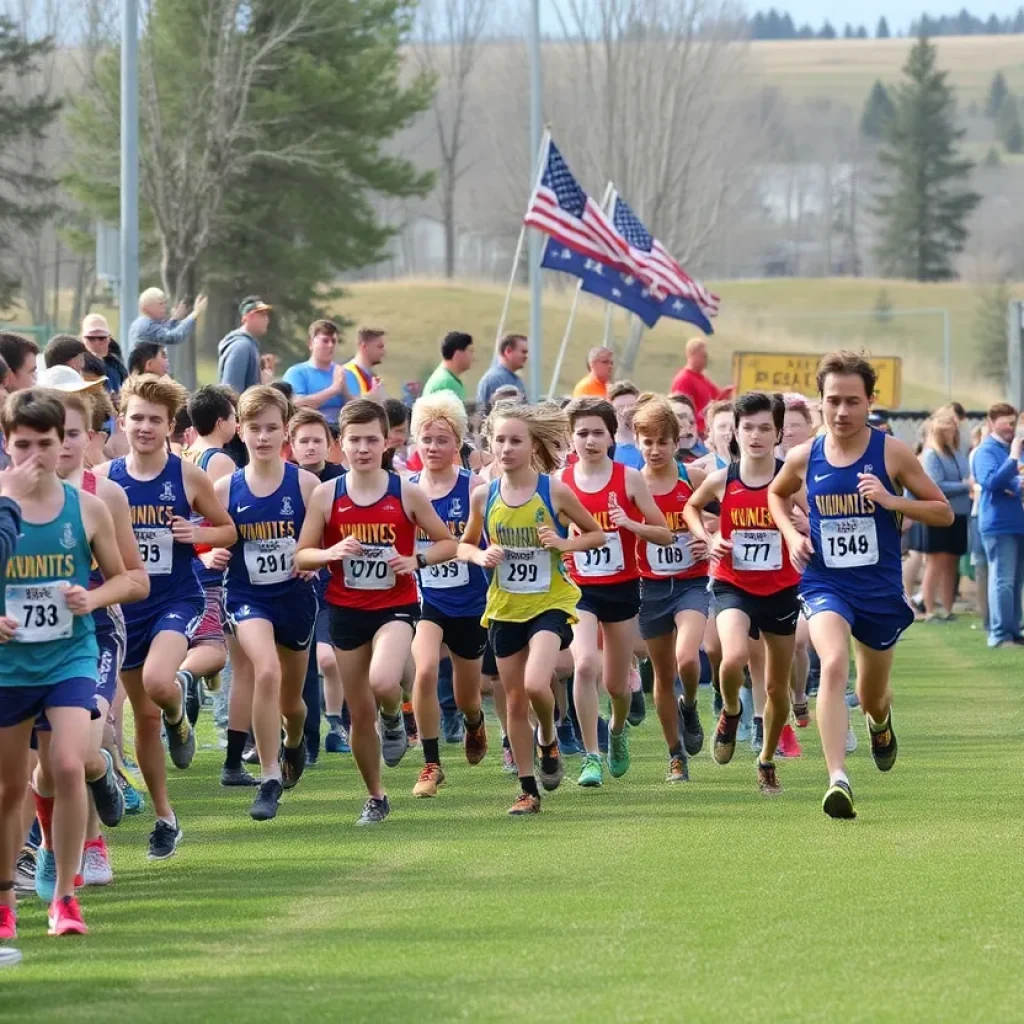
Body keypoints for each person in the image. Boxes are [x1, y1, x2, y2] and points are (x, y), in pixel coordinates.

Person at [769, 351, 953, 819]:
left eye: (853, 401)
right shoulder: (804, 455)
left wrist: (892, 499)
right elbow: (776, 492)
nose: (842, 412)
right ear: (820, 402)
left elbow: (943, 511)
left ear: (870, 401)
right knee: (831, 663)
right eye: (833, 401)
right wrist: (792, 534)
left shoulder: (891, 452)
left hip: (878, 589)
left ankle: (880, 720)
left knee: (872, 693)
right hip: (825, 581)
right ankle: (838, 780)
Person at [0, 388, 137, 938]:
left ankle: (65, 899)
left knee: (68, 763)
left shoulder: (88, 507)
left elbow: (131, 578)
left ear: (64, 445)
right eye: (22, 445)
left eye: (45, 444)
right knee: (10, 788)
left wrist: (93, 597)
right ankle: (5, 901)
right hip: (10, 666)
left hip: (71, 655)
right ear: (7, 445)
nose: (34, 456)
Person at [295, 399, 457, 825]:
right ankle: (375, 795)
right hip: (346, 609)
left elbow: (447, 542)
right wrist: (331, 551)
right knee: (357, 714)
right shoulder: (326, 495)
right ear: (339, 445)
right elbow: (303, 555)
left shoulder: (405, 491)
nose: (363, 448)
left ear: (388, 442)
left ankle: (395, 716)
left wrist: (416, 561)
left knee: (384, 680)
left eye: (372, 439)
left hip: (396, 607)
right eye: (354, 440)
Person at [95, 374, 237, 859]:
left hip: (176, 598)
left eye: (155, 419)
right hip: (125, 610)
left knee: (159, 682)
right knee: (145, 718)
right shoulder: (106, 479)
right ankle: (164, 817)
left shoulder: (186, 475)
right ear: (122, 420)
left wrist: (194, 532)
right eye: (136, 417)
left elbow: (228, 532)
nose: (145, 427)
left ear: (171, 426)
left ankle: (181, 710)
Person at [457, 403, 606, 814]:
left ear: (533, 444)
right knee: (513, 701)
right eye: (499, 440)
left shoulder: (553, 490)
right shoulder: (482, 496)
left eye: (515, 440)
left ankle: (548, 738)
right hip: (505, 607)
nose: (505, 448)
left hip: (550, 603)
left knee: (538, 683)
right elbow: (464, 544)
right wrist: (478, 557)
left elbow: (596, 535)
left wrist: (564, 543)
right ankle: (527, 789)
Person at [48, 389, 149, 892]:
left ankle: (89, 846)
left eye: (72, 434)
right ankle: (48, 851)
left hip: (96, 634)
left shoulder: (103, 495)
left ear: (90, 438)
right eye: (51, 434)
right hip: (27, 644)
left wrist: (91, 597)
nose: (61, 445)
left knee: (79, 750)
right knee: (47, 766)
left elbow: (136, 578)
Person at [684, 392, 801, 799]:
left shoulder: (789, 480)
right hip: (734, 583)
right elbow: (691, 508)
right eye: (748, 427)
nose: (756, 435)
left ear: (778, 433)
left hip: (781, 589)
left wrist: (803, 525)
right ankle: (731, 710)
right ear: (734, 432)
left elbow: (816, 517)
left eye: (765, 428)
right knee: (732, 658)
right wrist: (708, 537)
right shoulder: (724, 478)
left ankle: (766, 759)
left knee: (776, 689)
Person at [212, 386, 320, 822]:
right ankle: (270, 776)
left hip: (294, 598)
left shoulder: (308, 484)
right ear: (240, 431)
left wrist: (313, 562)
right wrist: (210, 553)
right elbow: (210, 539)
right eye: (254, 428)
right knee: (264, 670)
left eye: (271, 428)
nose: (262, 437)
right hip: (246, 595)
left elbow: (321, 545)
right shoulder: (225, 488)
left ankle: (294, 741)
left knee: (293, 703)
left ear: (285, 433)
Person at [560, 397, 671, 788]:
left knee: (615, 686)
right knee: (585, 664)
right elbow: (552, 534)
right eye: (582, 433)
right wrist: (561, 542)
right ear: (571, 438)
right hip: (579, 589)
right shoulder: (562, 483)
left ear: (611, 437)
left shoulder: (629, 478)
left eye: (597, 433)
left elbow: (664, 532)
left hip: (622, 588)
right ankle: (591, 756)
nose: (589, 441)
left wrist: (629, 524)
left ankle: (618, 729)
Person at [408, 392, 490, 798]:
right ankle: (431, 763)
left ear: (457, 442)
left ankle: (475, 722)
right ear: (415, 442)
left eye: (442, 439)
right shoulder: (406, 489)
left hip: (471, 601)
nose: (433, 448)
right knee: (423, 670)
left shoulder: (476, 488)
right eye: (426, 439)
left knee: (467, 696)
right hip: (427, 601)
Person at [633, 393, 710, 782]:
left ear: (677, 441)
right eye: (647, 441)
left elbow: (728, 517)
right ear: (637, 441)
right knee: (662, 673)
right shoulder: (633, 484)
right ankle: (675, 754)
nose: (655, 449)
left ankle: (691, 703)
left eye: (662, 441)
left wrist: (706, 535)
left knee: (687, 657)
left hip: (691, 583)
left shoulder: (692, 478)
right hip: (651, 589)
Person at [286, 409, 346, 763]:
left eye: (316, 440)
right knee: (295, 667)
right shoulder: (284, 480)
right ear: (290, 446)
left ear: (330, 445)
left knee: (326, 658)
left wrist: (319, 558)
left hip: (332, 587)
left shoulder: (342, 481)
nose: (310, 447)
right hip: (289, 587)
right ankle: (298, 737)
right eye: (303, 441)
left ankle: (336, 724)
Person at [178, 386, 239, 727]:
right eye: (234, 417)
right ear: (221, 422)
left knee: (200, 639)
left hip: (188, 562)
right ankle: (226, 721)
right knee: (217, 646)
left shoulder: (186, 454)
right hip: (212, 564)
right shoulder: (219, 461)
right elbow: (221, 517)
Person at [972, 402, 1024, 649]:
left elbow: (1013, 482)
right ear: (992, 423)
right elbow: (991, 482)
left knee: (1016, 580)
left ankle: (1014, 630)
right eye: (1007, 423)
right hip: (998, 523)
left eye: (1014, 423)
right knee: (1002, 578)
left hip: (1018, 522)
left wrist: (1015, 483)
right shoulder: (986, 451)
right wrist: (1013, 456)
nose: (1012, 428)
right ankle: (999, 634)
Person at [920, 407, 971, 622]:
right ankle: (930, 609)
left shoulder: (957, 453)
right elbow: (936, 484)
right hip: (939, 514)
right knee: (936, 563)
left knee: (952, 562)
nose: (953, 431)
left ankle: (948, 609)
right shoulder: (932, 454)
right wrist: (964, 486)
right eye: (948, 427)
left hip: (958, 513)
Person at [283, 319, 350, 425]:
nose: (331, 345)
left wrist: (344, 387)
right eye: (325, 341)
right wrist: (334, 389)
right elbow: (295, 405)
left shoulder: (345, 373)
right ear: (311, 343)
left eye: (333, 341)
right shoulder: (296, 373)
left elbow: (355, 409)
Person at [669, 337, 734, 435]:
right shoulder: (683, 380)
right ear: (693, 354)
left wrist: (726, 395)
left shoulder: (702, 379)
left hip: (706, 433)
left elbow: (717, 397)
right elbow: (683, 413)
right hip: (694, 435)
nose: (706, 359)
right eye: (703, 355)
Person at [218, 297, 271, 395]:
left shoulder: (249, 345)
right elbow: (231, 392)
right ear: (249, 316)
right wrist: (262, 386)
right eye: (262, 315)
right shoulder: (241, 346)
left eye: (267, 315)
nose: (267, 320)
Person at [127, 288, 207, 349]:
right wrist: (195, 313)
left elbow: (164, 330)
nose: (164, 307)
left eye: (165, 303)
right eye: (160, 304)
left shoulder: (143, 323)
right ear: (147, 307)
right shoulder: (146, 326)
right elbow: (173, 337)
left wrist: (175, 319)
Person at [80, 314, 128, 397]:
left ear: (109, 338)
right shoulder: (79, 366)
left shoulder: (116, 364)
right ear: (83, 339)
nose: (97, 342)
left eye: (102, 338)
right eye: (91, 338)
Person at [476, 334, 528, 407]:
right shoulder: (495, 379)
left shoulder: (515, 379)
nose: (526, 356)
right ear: (508, 351)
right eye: (523, 352)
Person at [423, 331, 475, 401]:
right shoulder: (446, 383)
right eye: (470, 351)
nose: (473, 357)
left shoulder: (447, 378)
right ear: (457, 354)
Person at [608, 380, 645, 469]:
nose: (626, 412)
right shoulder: (607, 447)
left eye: (631, 406)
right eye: (620, 408)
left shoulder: (651, 444)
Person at [341, 327, 387, 398]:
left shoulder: (372, 376)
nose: (383, 352)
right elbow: (351, 406)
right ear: (364, 346)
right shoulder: (346, 374)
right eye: (380, 347)